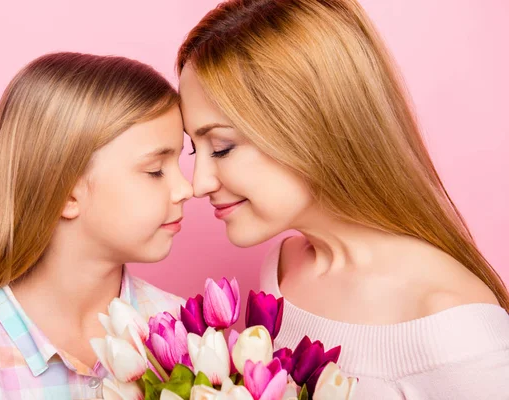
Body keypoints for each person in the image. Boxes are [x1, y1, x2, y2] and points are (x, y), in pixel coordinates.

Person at [177, 0, 509, 398]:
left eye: (223, 146)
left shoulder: (457, 336)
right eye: (196, 149)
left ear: (311, 126)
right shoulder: (282, 272)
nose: (198, 185)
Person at [0, 52, 192, 399]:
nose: (186, 188)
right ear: (66, 193)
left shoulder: (185, 328)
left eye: (179, 162)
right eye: (155, 171)